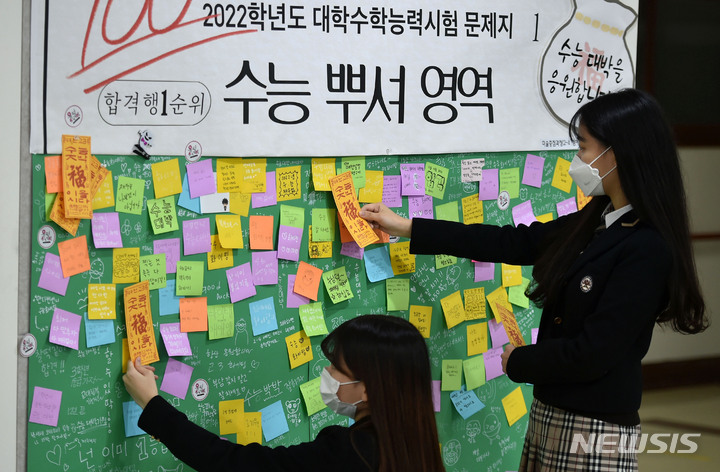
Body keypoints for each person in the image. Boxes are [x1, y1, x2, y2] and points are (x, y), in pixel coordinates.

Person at [360, 88, 707, 471]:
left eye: (584, 147)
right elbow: (510, 242)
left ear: (616, 154)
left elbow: (594, 353)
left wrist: (521, 361)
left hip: (593, 426)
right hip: (552, 411)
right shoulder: (597, 218)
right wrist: (407, 227)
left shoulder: (647, 246)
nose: (577, 160)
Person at [123, 314, 446, 472]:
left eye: (337, 367)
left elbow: (237, 465)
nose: (327, 373)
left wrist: (152, 404)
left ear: (369, 389)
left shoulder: (349, 453)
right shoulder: (417, 446)